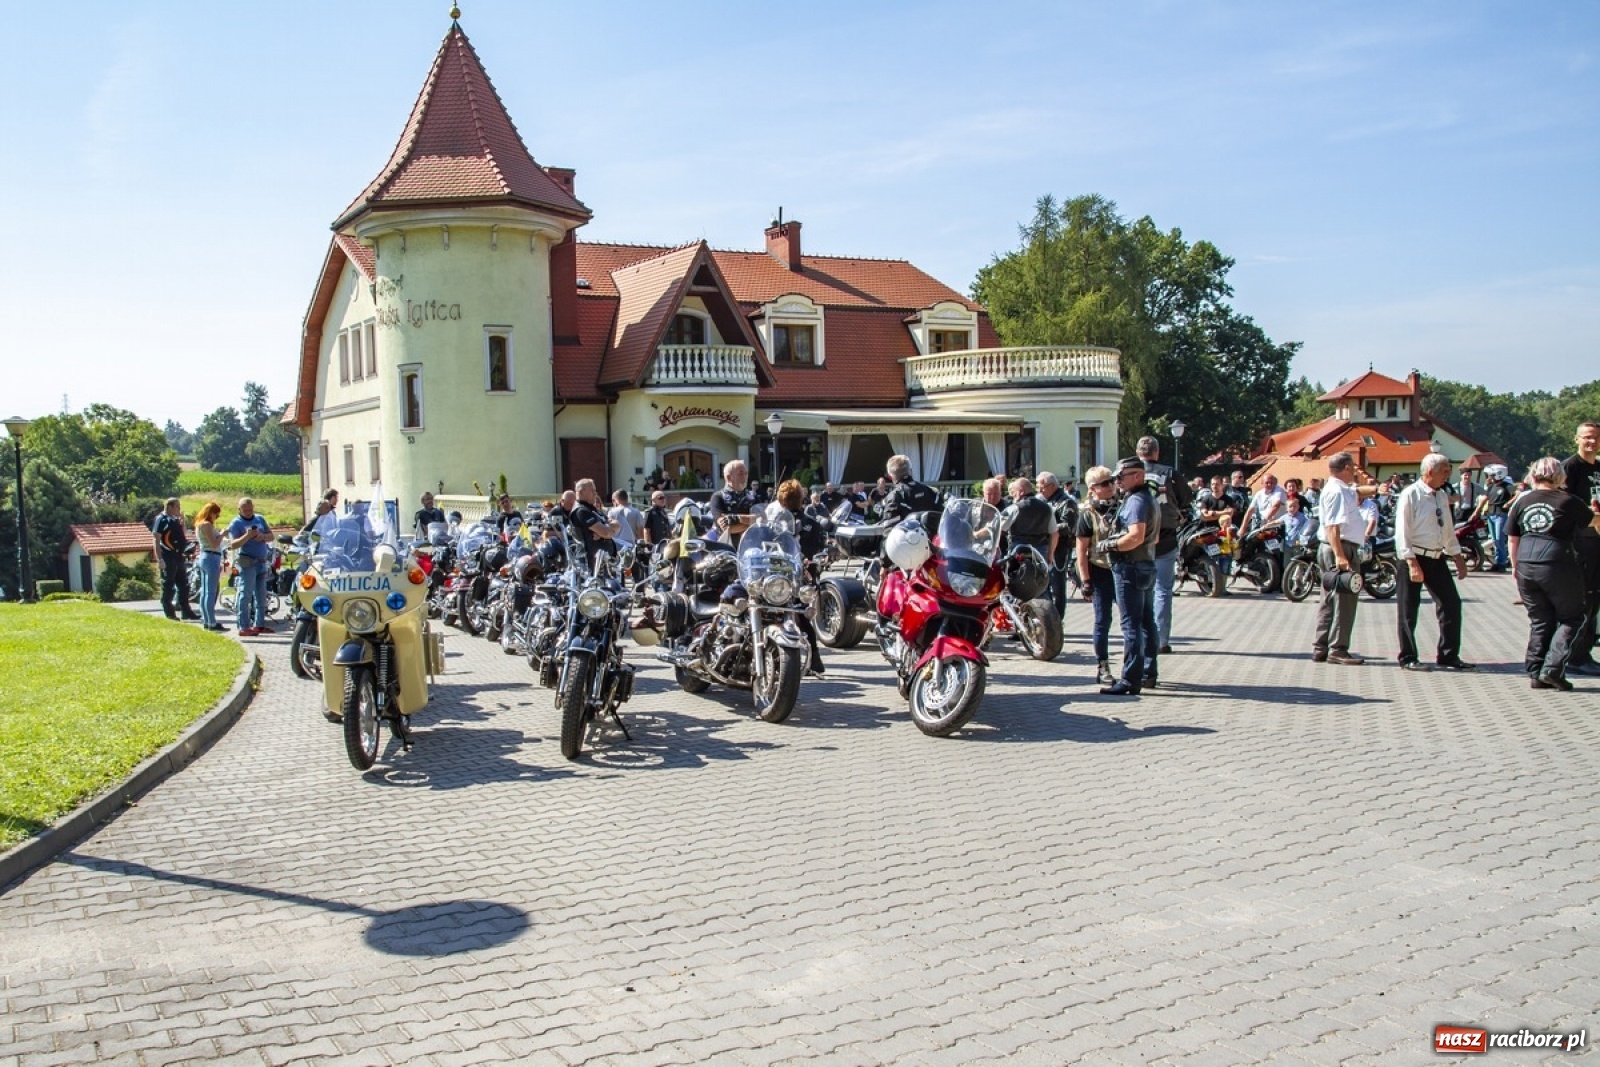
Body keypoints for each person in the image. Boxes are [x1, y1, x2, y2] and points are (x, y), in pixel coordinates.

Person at [1510, 456, 1597, 691]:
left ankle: (1536, 673)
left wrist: (1515, 567)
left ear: (1533, 475)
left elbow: (1512, 537)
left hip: (1527, 563)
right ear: (1560, 476)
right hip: (1557, 563)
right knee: (1573, 617)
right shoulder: (1568, 501)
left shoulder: (1522, 501)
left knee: (1540, 621)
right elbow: (1593, 521)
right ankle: (1553, 668)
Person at [1393, 453, 1474, 672]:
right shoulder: (1411, 494)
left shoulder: (1440, 495)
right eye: (1444, 470)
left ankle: (1448, 655)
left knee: (1451, 604)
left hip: (1436, 556)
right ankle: (1408, 656)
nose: (1448, 475)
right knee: (1408, 609)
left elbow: (1447, 528)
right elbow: (1402, 531)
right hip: (1413, 557)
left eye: (1448, 470)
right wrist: (1411, 562)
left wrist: (1457, 557)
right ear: (1430, 472)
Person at [1092, 458, 1160, 695]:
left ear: (1138, 476)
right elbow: (1153, 538)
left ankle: (1131, 679)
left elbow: (1135, 536)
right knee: (1146, 622)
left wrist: (1110, 545)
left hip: (1131, 567)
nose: (1116, 481)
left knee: (1131, 625)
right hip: (1145, 565)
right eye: (1115, 477)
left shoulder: (1136, 501)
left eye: (1121, 476)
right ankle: (1148, 672)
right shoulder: (1146, 498)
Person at [1311, 453, 1386, 665]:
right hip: (1341, 547)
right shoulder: (1337, 491)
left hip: (1338, 547)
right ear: (1345, 467)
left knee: (1329, 598)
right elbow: (1332, 527)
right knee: (1345, 601)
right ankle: (1338, 648)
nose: (1355, 470)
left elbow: (1355, 491)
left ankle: (1321, 646)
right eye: (1352, 467)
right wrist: (1340, 555)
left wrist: (1376, 490)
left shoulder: (1340, 488)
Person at [1136, 435, 1192, 655]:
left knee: (1139, 591)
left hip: (1137, 538)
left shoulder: (1129, 472)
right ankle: (1161, 640)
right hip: (1166, 536)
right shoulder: (1169, 473)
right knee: (1163, 590)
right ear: (1156, 453)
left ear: (1138, 452)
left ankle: (1139, 637)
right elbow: (1186, 498)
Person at [1561, 421, 1600, 675]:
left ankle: (1585, 651)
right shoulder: (1570, 467)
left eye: (1596, 437)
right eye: (1587, 437)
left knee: (1595, 597)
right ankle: (1574, 656)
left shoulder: (1598, 466)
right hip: (1580, 540)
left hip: (1597, 539)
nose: (1592, 442)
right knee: (1584, 598)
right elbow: (1563, 503)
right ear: (1577, 439)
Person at [1074, 466, 1119, 686]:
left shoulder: (1122, 506)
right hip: (1100, 570)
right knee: (1103, 620)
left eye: (1111, 481)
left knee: (1133, 620)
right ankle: (1102, 665)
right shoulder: (1088, 514)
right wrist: (1086, 581)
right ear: (1093, 489)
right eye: (1104, 483)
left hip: (1122, 569)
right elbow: (1081, 551)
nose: (1110, 486)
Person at [227, 497, 274, 636]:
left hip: (261, 561)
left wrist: (262, 537)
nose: (248, 512)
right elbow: (233, 544)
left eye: (250, 509)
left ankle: (259, 625)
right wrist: (247, 536)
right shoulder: (236, 523)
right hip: (247, 562)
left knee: (261, 595)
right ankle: (243, 626)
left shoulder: (260, 519)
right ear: (239, 509)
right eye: (245, 510)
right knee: (245, 595)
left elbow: (271, 536)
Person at [152, 497, 199, 621]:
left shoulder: (176, 520)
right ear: (169, 507)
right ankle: (170, 613)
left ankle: (186, 611)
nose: (179, 509)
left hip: (179, 556)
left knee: (184, 585)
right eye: (177, 507)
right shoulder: (161, 519)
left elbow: (183, 535)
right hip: (168, 556)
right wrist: (159, 559)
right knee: (168, 585)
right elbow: (156, 539)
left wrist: (183, 524)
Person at [1037, 471, 1077, 614]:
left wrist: (1049, 529)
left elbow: (1068, 526)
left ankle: (1058, 619)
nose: (1040, 490)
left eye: (1042, 487)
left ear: (1052, 486)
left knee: (1057, 585)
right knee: (1043, 585)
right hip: (1044, 547)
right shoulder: (1043, 501)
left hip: (1060, 549)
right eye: (1038, 487)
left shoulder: (1067, 502)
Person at [1004, 477, 1057, 563]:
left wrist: (978, 534)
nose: (1012, 495)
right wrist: (1050, 553)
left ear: (1021, 491)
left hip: (1019, 550)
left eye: (1014, 492)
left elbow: (998, 526)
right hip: (1040, 551)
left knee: (1011, 574)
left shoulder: (1015, 508)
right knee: (1041, 575)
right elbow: (1054, 533)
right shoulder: (1047, 508)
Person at [570, 479, 619, 569]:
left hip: (603, 560)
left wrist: (605, 531)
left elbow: (617, 525)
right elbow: (606, 532)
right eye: (592, 490)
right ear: (581, 492)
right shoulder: (581, 511)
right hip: (590, 562)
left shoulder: (593, 509)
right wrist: (607, 532)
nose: (595, 493)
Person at [193, 501, 227, 632]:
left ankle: (206, 619)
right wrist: (222, 534)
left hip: (204, 557)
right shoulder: (206, 525)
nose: (216, 517)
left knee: (205, 590)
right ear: (210, 513)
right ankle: (211, 622)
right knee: (210, 592)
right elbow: (214, 543)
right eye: (216, 514)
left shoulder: (199, 525)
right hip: (211, 556)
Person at [708, 459, 757, 544]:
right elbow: (727, 528)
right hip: (728, 549)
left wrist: (737, 518)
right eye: (741, 474)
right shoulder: (718, 497)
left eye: (746, 473)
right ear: (729, 478)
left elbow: (762, 519)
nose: (745, 477)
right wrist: (752, 522)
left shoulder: (753, 497)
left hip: (753, 546)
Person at [879, 454, 938, 525]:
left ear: (890, 476)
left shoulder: (895, 496)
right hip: (931, 534)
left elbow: (888, 528)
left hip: (908, 534)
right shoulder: (931, 491)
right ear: (910, 470)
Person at [1483, 466, 1514, 571]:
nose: (1490, 477)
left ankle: (1502, 563)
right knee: (1494, 540)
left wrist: (1508, 503)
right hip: (1491, 514)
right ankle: (1497, 561)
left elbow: (1517, 494)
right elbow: (1485, 498)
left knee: (1499, 539)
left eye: (1492, 475)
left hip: (1501, 514)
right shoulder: (1491, 487)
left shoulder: (1507, 486)